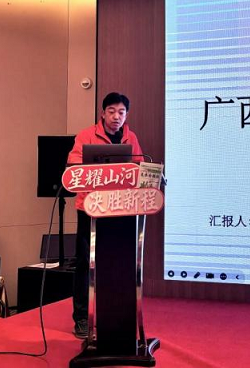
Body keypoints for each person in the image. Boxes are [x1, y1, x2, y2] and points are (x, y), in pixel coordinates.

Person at [67, 91, 143, 338]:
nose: (116, 117)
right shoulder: (86, 136)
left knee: (116, 263)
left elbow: (138, 168)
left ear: (126, 115)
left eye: (121, 112)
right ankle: (81, 318)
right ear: (103, 113)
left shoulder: (131, 137)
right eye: (112, 111)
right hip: (90, 208)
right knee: (84, 264)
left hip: (120, 208)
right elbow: (74, 168)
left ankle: (114, 315)